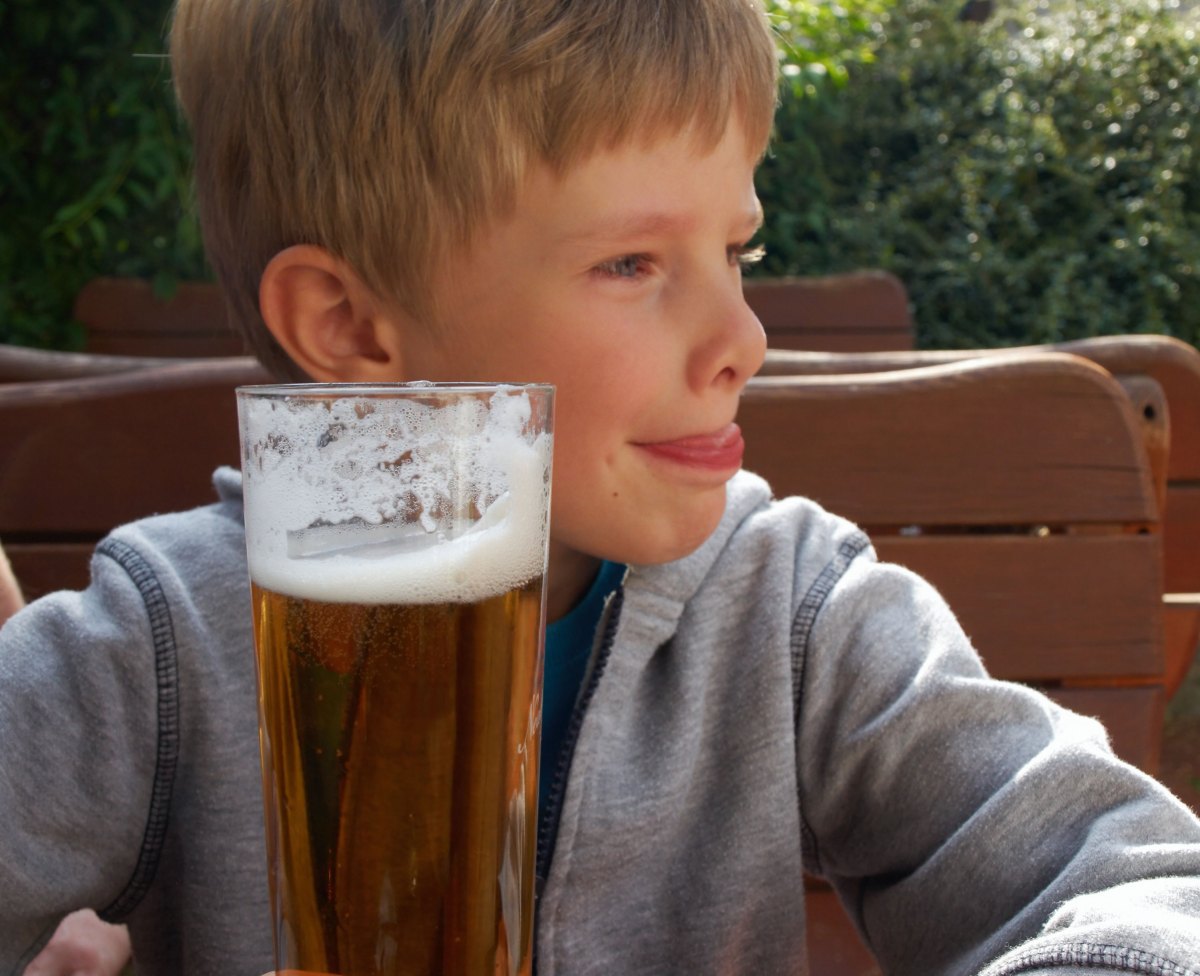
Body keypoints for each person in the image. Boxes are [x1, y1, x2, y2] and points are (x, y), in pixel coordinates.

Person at [4, 0, 1200, 973]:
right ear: (351, 324)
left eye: (740, 252)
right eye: (631, 262)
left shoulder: (794, 608)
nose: (744, 335)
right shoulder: (159, 648)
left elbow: (1141, 883)